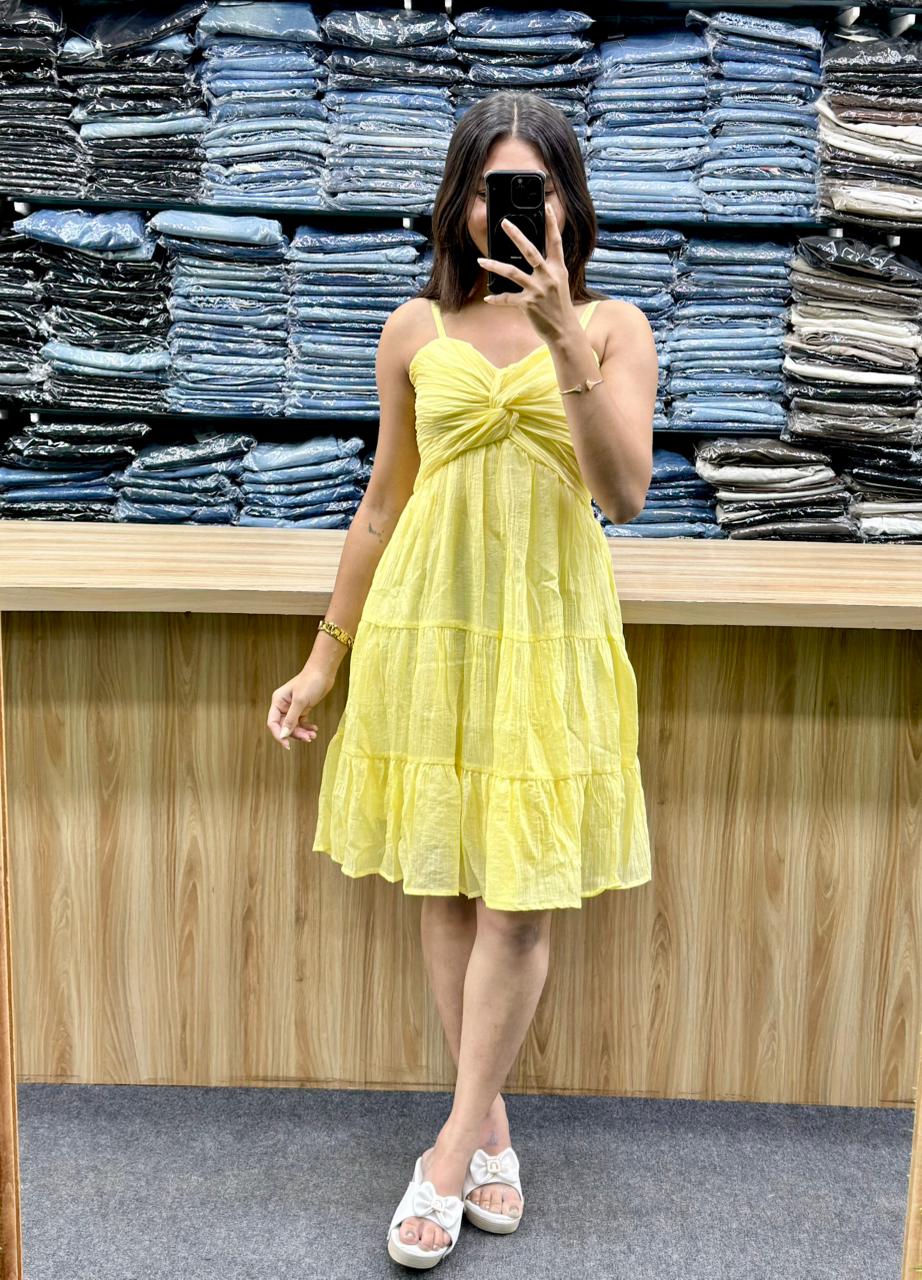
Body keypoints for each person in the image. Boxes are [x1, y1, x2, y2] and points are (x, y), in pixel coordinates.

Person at [267, 90, 657, 1269]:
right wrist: (324, 657)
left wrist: (560, 335)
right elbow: (381, 505)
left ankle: (447, 1150)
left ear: (568, 204)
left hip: (546, 634)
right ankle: (487, 1129)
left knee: (518, 897)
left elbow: (623, 492)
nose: (509, 209)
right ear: (459, 202)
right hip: (426, 629)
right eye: (492, 189)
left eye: (532, 187)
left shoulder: (614, 326)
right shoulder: (413, 329)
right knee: (443, 878)